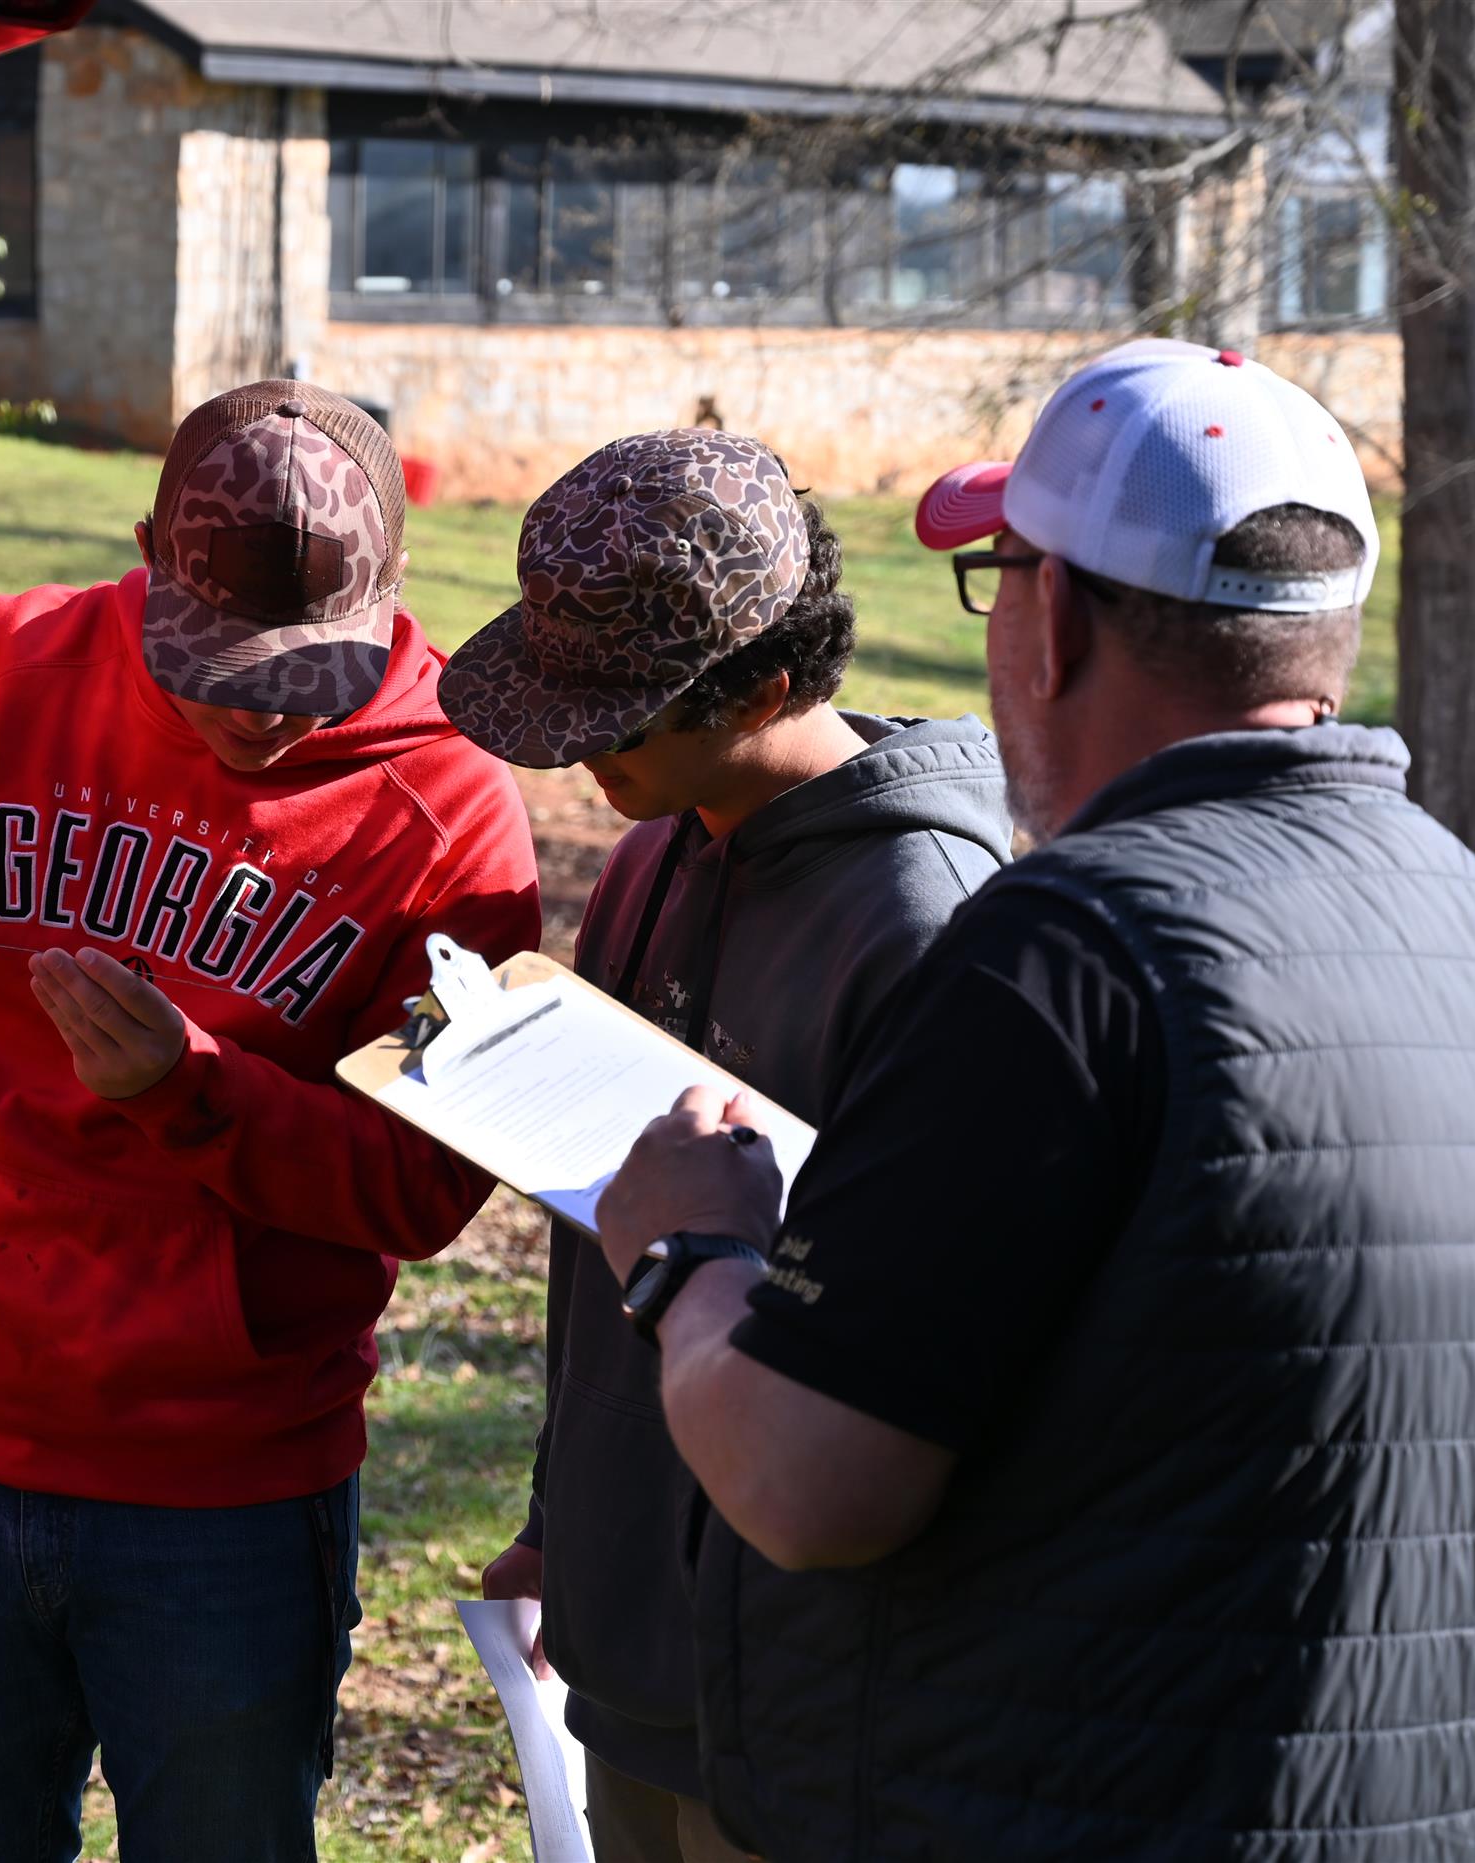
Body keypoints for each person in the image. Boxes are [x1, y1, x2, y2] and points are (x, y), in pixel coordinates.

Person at [586, 339, 1475, 1862]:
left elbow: (808, 1485)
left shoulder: (1070, 956)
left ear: (1058, 618)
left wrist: (693, 1252)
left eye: (999, 575)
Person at [0, 380, 541, 1862]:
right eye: (215, 665)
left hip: (225, 1493)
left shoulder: (452, 818)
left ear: (393, 593)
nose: (254, 711)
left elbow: (424, 1188)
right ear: (148, 555)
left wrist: (191, 1094)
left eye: (306, 674)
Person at [435, 430, 1009, 1863]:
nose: (581, 758)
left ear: (760, 687)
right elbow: (608, 1240)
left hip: (807, 1690)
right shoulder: (653, 852)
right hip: (629, 1630)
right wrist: (565, 1517)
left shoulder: (924, 925)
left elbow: (927, 1345)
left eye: (615, 723)